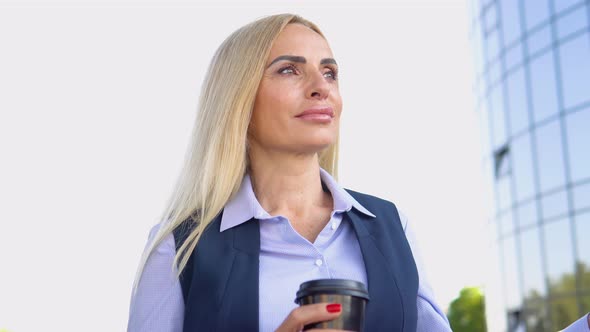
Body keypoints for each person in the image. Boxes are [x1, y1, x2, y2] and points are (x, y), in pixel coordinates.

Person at [127, 13, 590, 332]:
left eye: (330, 73)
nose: (319, 88)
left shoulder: (390, 224)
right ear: (238, 102)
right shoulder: (179, 246)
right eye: (289, 70)